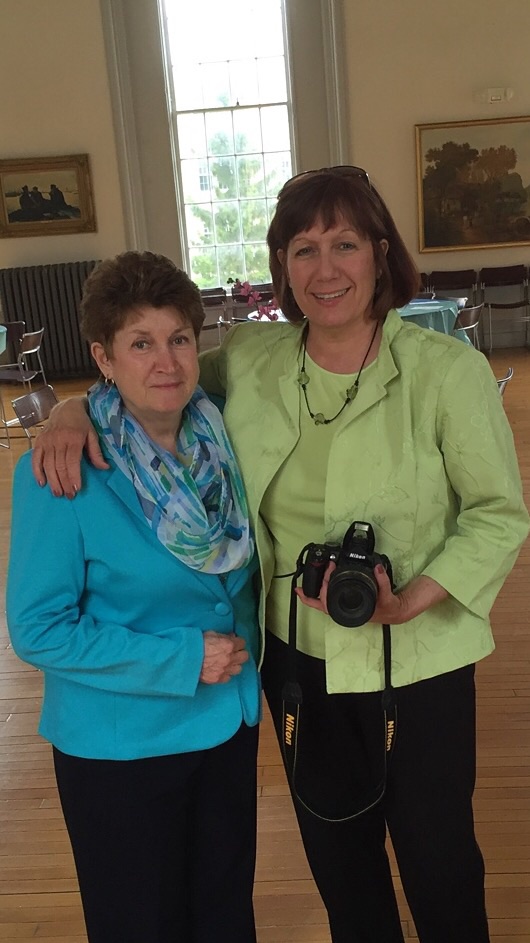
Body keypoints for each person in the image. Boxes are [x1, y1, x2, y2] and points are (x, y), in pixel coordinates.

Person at [30, 168, 529, 943]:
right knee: (342, 870)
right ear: (283, 267)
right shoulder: (251, 359)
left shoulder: (446, 372)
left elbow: (499, 515)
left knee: (442, 869)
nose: (325, 269)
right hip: (299, 664)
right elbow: (148, 383)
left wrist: (410, 598)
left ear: (380, 253)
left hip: (418, 663)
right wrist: (67, 410)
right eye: (303, 249)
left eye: (345, 244)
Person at [7, 251, 261, 943]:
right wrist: (183, 659)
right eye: (141, 343)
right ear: (104, 357)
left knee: (225, 919)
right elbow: (38, 628)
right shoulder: (58, 471)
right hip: (120, 751)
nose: (167, 362)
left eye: (179, 338)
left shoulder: (226, 435)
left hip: (227, 728)